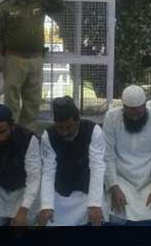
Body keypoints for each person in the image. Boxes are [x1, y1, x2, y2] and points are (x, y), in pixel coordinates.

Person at [0, 0, 64, 132]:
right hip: (14, 59)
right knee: (12, 99)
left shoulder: (38, 4)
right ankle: (12, 131)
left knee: (33, 99)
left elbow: (59, 7)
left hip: (36, 58)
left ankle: (28, 133)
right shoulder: (3, 8)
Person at [103, 85, 151, 222]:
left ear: (145, 105)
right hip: (122, 177)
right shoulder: (111, 117)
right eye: (131, 114)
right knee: (117, 208)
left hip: (149, 177)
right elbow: (108, 155)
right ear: (123, 107)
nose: (134, 118)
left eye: (139, 114)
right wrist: (113, 186)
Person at [37, 96, 105, 226]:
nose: (63, 132)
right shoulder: (48, 136)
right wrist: (46, 205)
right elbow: (48, 171)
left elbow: (97, 167)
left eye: (68, 127)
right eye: (59, 128)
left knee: (98, 217)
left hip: (88, 191)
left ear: (77, 121)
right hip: (61, 193)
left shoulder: (93, 130)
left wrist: (95, 204)